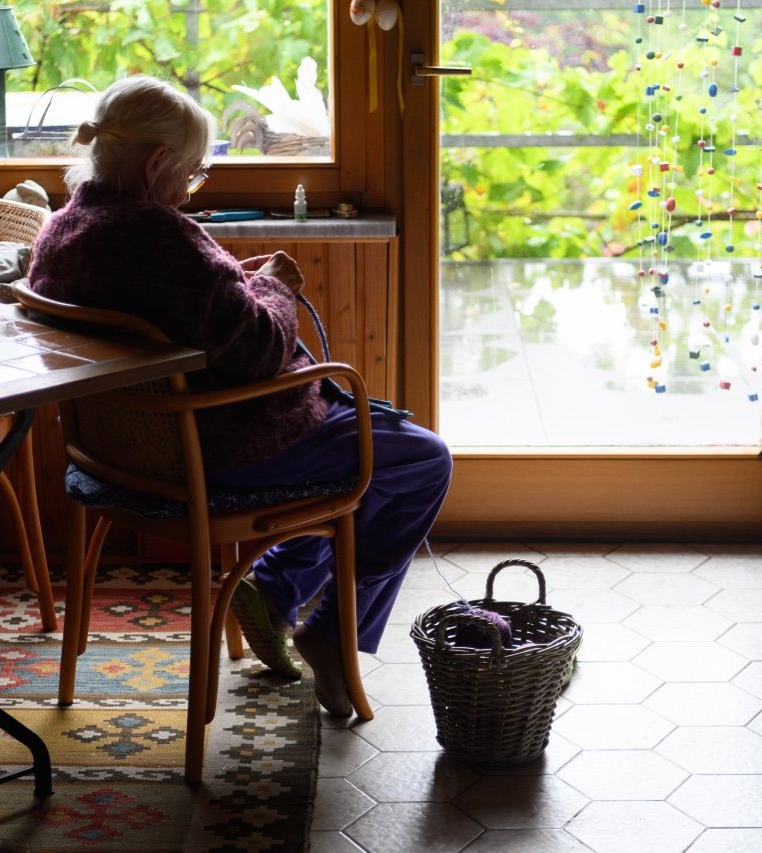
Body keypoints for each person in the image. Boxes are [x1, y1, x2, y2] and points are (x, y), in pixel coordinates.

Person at [27, 76, 452, 716]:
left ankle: (276, 589)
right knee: (418, 461)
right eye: (194, 173)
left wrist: (237, 292)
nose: (193, 188)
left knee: (350, 465)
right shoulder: (159, 237)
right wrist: (276, 286)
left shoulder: (61, 233)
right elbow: (255, 348)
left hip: (115, 456)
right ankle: (330, 632)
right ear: (155, 163)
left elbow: (183, 316)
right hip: (220, 448)